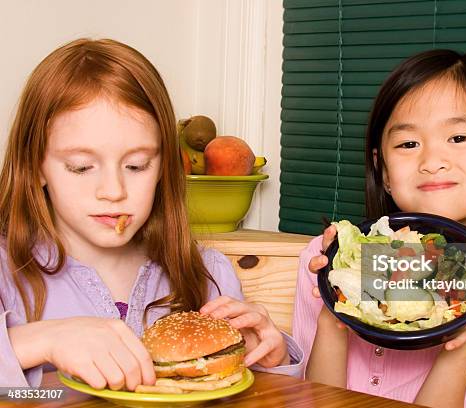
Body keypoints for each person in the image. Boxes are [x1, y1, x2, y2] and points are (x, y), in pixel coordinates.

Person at [0, 38, 303, 391]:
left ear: (163, 167)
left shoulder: (208, 274)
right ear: (36, 166)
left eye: (136, 165)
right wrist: (38, 341)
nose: (113, 191)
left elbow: (251, 393)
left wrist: (271, 359)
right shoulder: (8, 271)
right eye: (81, 167)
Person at [292, 49, 466, 408]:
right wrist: (335, 306)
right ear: (383, 170)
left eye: (459, 138)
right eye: (408, 143)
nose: (432, 162)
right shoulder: (323, 262)